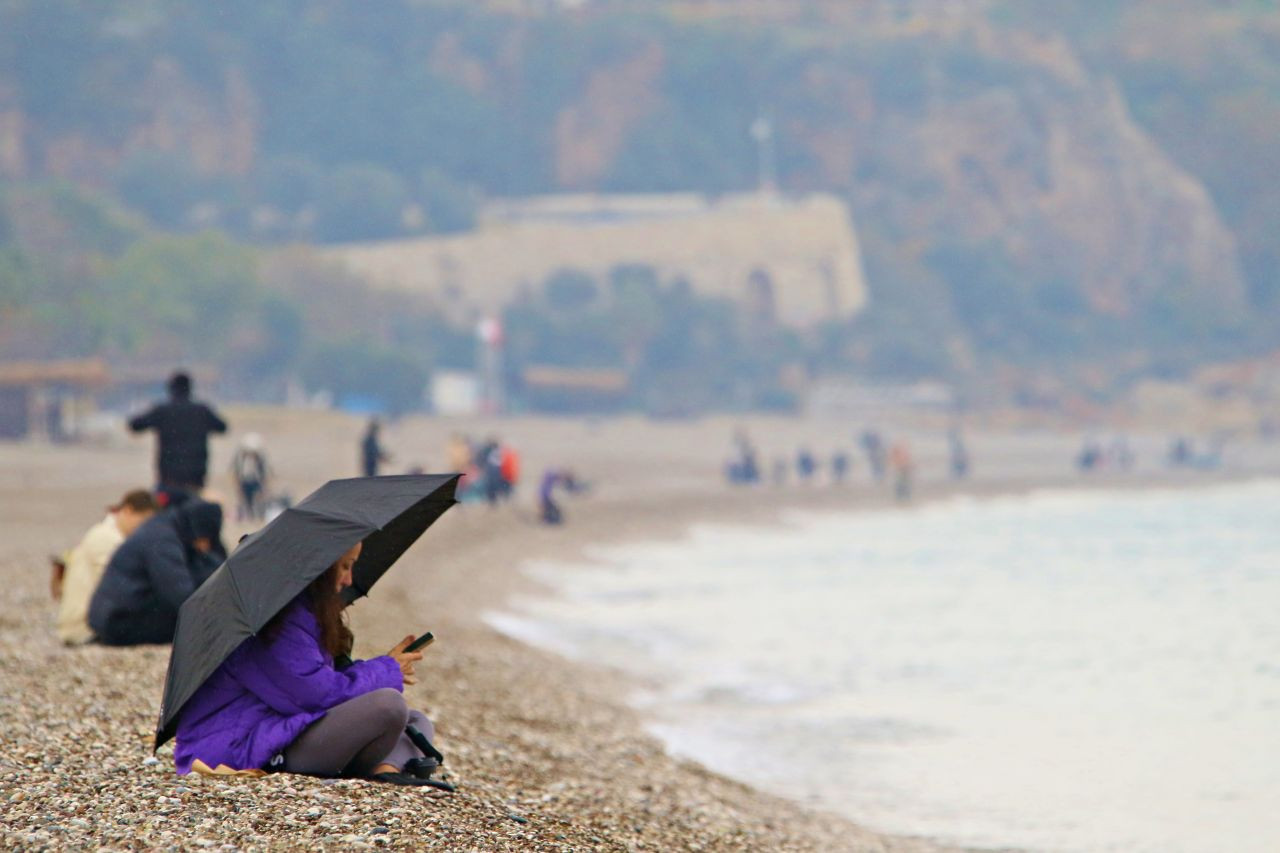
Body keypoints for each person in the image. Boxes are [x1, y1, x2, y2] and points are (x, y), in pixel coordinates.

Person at [173, 543, 444, 787]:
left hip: (284, 728)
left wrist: (386, 667)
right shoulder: (270, 622)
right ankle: (386, 767)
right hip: (246, 748)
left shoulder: (300, 612)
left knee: (416, 721)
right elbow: (316, 696)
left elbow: (319, 683)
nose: (349, 579)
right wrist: (387, 670)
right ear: (319, 569)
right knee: (388, 705)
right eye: (345, 567)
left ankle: (386, 771)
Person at [88, 500, 225, 646]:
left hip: (111, 616)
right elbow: (179, 594)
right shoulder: (163, 540)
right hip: (117, 623)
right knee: (191, 624)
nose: (205, 546)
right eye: (205, 539)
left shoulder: (167, 527)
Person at [51, 489, 158, 645]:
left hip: (83, 623)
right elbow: (119, 588)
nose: (145, 529)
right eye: (143, 521)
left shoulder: (106, 533)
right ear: (128, 510)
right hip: (83, 628)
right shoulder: (106, 538)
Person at [128, 372, 228, 504]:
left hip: (168, 480)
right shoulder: (202, 410)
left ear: (170, 388)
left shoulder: (162, 410)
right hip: (196, 480)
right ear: (190, 388)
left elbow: (135, 425)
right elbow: (222, 427)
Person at [231, 433, 271, 521]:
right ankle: (249, 516)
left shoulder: (260, 459)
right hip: (245, 482)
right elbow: (236, 471)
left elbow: (264, 472)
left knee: (259, 500)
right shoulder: (240, 458)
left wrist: (264, 486)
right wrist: (237, 485)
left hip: (256, 482)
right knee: (246, 500)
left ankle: (260, 516)